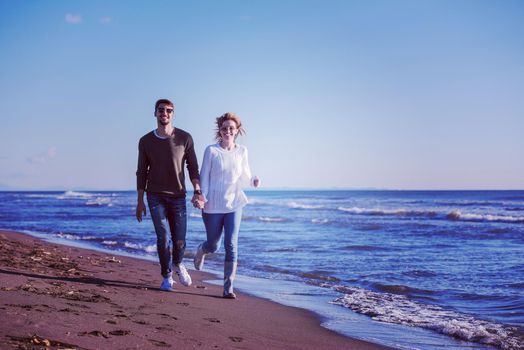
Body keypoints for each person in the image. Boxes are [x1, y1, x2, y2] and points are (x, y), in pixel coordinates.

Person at [136, 98, 204, 292]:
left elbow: (193, 168)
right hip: (155, 196)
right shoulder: (146, 141)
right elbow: (142, 171)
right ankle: (166, 276)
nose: (164, 113)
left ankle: (178, 263)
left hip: (178, 196)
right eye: (161, 110)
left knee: (180, 240)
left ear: (173, 114)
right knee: (163, 238)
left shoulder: (185, 138)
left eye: (168, 110)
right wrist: (140, 201)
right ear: (155, 113)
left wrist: (197, 191)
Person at [192, 112, 260, 299]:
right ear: (220, 131)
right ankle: (202, 249)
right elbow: (204, 176)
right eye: (224, 128)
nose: (228, 131)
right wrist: (201, 196)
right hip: (213, 205)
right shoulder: (211, 151)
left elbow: (246, 174)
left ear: (237, 131)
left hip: (234, 204)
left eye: (231, 128)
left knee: (231, 244)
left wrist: (254, 180)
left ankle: (228, 288)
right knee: (214, 245)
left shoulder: (242, 151)